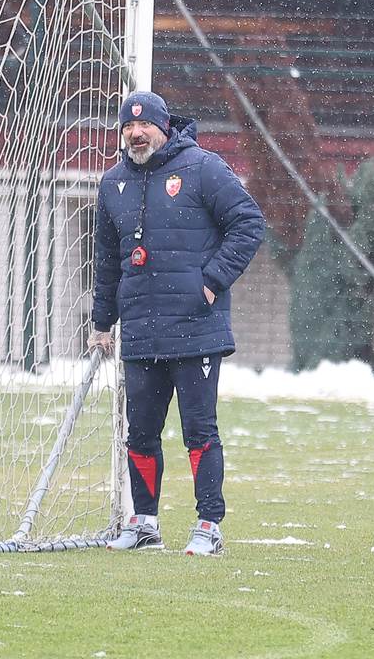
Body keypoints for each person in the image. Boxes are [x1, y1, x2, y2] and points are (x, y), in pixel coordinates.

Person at [89, 91, 265, 555]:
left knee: (199, 432)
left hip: (196, 327)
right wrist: (102, 321)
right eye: (128, 126)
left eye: (144, 126)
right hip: (143, 330)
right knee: (140, 433)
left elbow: (248, 223)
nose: (135, 133)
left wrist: (211, 281)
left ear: (164, 127)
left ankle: (209, 526)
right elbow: (107, 260)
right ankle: (144, 523)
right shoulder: (112, 184)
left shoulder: (203, 167)